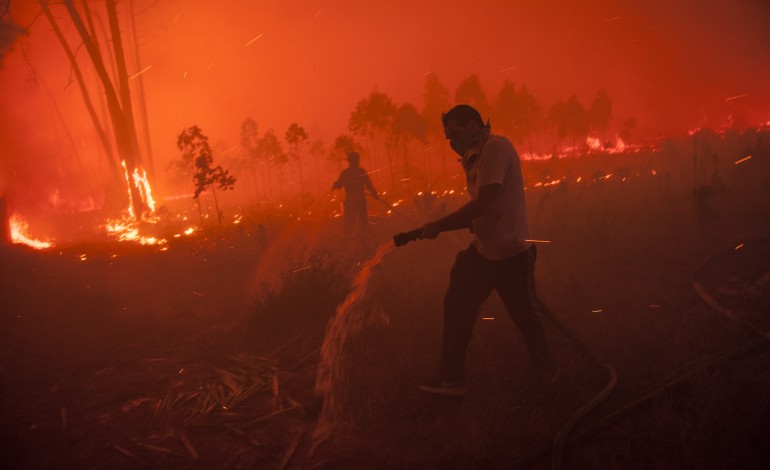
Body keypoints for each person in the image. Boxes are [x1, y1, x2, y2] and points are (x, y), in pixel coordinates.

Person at [415, 104, 556, 396]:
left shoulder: (495, 149)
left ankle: (549, 375)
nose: (451, 142)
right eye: (448, 138)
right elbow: (484, 209)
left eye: (454, 134)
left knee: (525, 317)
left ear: (471, 126)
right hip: (484, 251)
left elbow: (484, 202)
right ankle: (451, 379)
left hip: (511, 254)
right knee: (457, 304)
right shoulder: (475, 157)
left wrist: (438, 225)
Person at [331, 151, 380, 235]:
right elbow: (369, 185)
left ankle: (350, 241)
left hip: (352, 201)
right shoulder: (361, 171)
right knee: (360, 223)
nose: (356, 162)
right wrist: (374, 193)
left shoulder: (346, 173)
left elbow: (340, 185)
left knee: (350, 224)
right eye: (355, 160)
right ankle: (361, 240)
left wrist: (336, 185)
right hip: (358, 201)